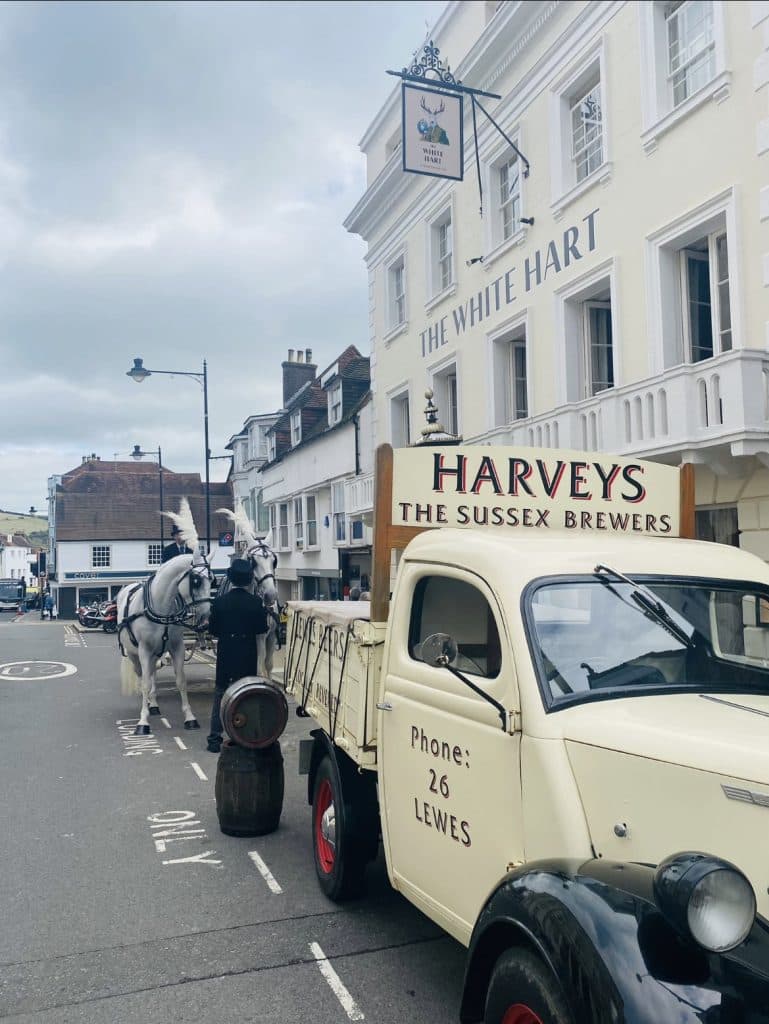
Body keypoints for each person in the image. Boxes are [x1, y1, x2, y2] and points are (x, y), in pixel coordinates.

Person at [206, 558, 269, 753]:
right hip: (247, 652)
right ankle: (246, 736)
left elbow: (214, 630)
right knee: (246, 696)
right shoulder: (255, 602)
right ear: (250, 580)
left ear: (231, 579)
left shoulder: (219, 602)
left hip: (227, 652)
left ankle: (214, 739)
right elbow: (262, 628)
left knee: (220, 694)